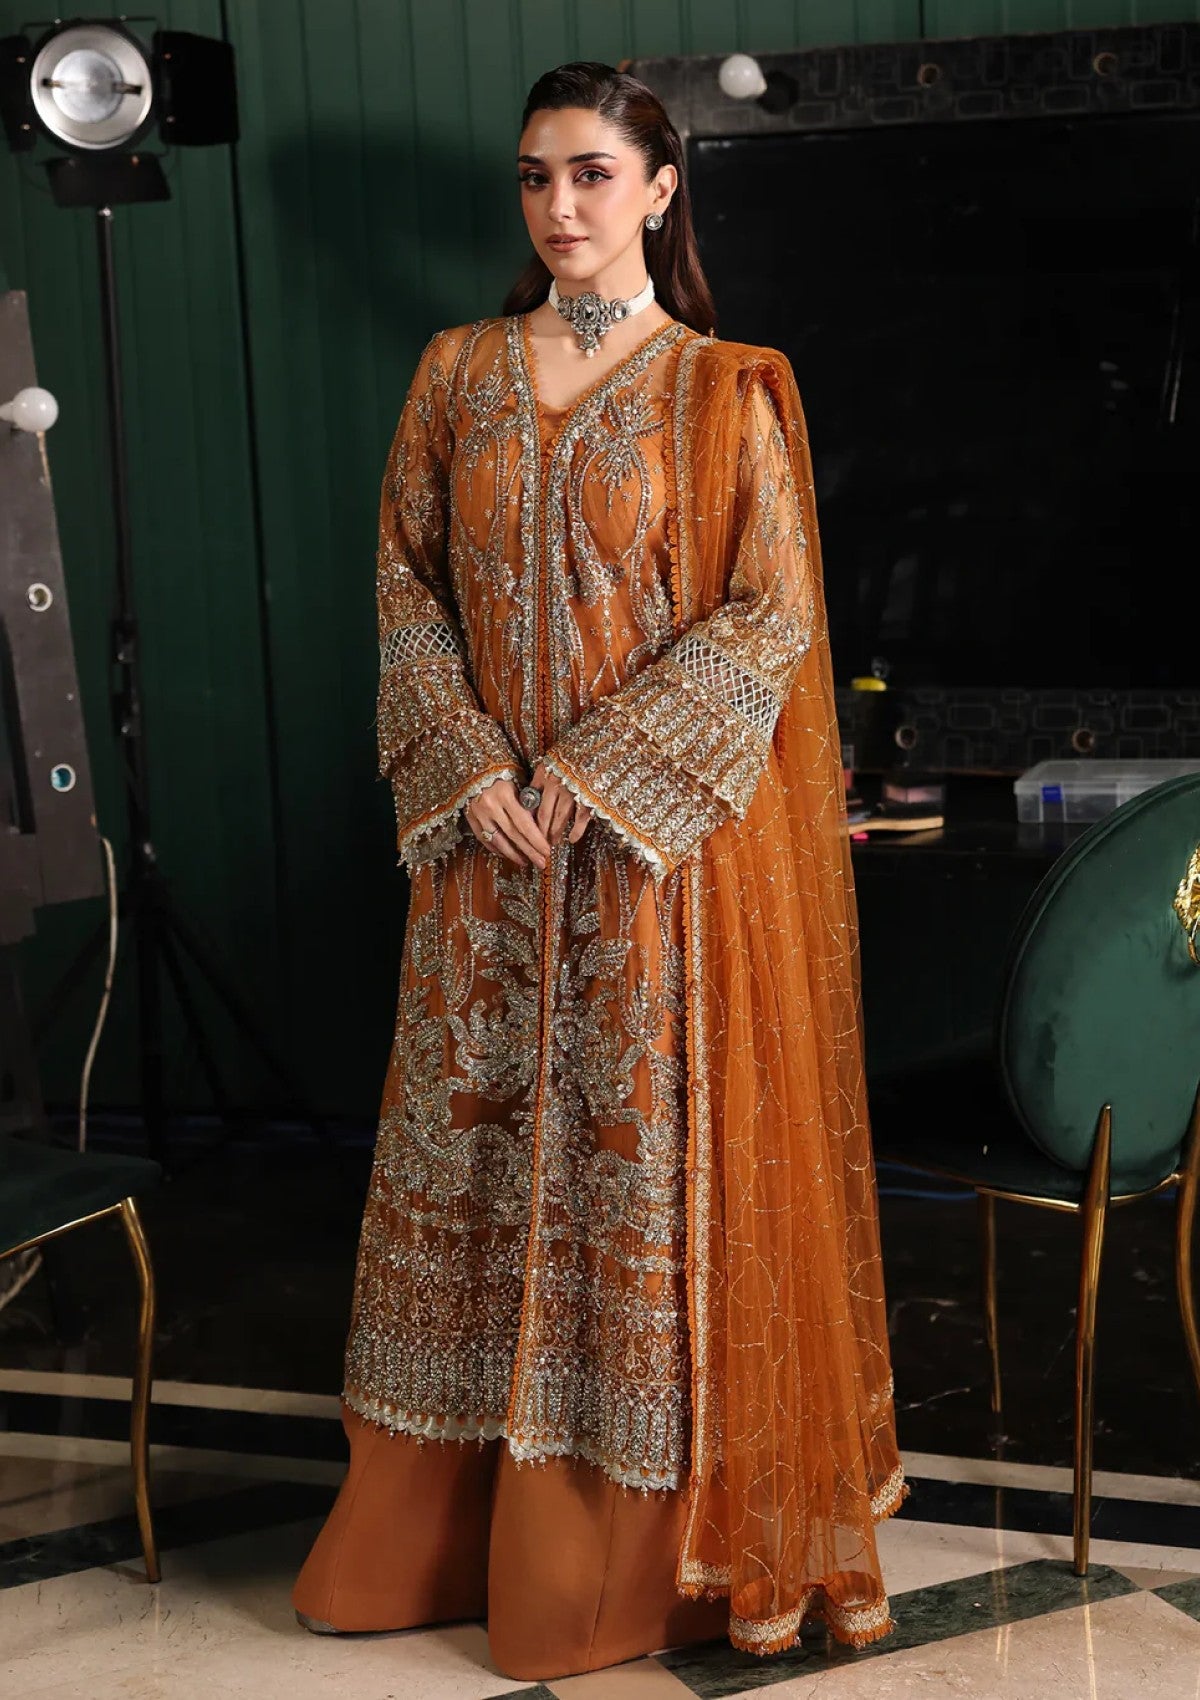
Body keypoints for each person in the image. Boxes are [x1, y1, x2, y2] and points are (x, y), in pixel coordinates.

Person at [292, 59, 905, 1682]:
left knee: (627, 1196)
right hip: (484, 864)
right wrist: (465, 764)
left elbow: (773, 611)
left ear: (660, 186)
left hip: (646, 871)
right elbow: (406, 581)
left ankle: (618, 1577)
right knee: (468, 1182)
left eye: (589, 174)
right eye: (534, 177)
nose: (558, 206)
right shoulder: (458, 373)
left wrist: (597, 770)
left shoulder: (723, 389)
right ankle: (424, 1542)